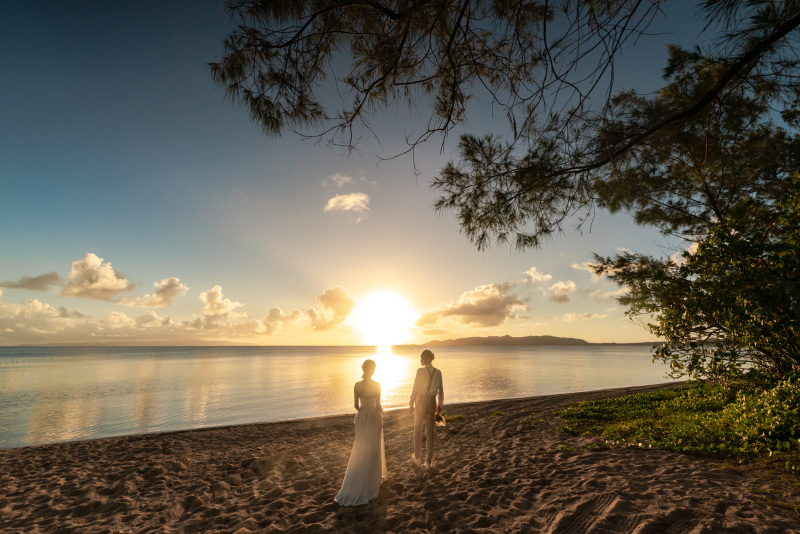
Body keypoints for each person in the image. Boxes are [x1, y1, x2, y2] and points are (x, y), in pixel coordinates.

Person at [334, 359, 387, 506]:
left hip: (362, 417)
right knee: (373, 448)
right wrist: (380, 409)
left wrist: (365, 407)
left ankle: (360, 479)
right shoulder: (377, 385)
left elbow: (356, 406)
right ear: (373, 370)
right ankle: (372, 481)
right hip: (374, 417)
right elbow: (378, 405)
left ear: (363, 369)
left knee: (361, 448)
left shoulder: (357, 385)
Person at [409, 349, 444, 469]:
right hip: (432, 401)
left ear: (426, 359)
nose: (420, 360)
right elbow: (441, 391)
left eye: (421, 358)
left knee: (417, 429)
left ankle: (417, 458)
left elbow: (415, 388)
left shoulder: (420, 371)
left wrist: (411, 402)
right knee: (430, 432)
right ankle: (428, 462)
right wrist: (439, 406)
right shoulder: (438, 372)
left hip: (420, 400)